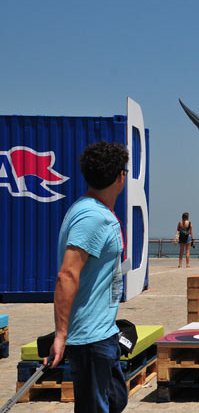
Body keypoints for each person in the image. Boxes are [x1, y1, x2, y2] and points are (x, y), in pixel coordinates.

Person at [48, 141, 129, 413]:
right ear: (120, 176)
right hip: (90, 338)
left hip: (103, 332)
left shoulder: (89, 208)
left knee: (116, 399)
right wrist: (61, 335)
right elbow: (67, 274)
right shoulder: (94, 217)